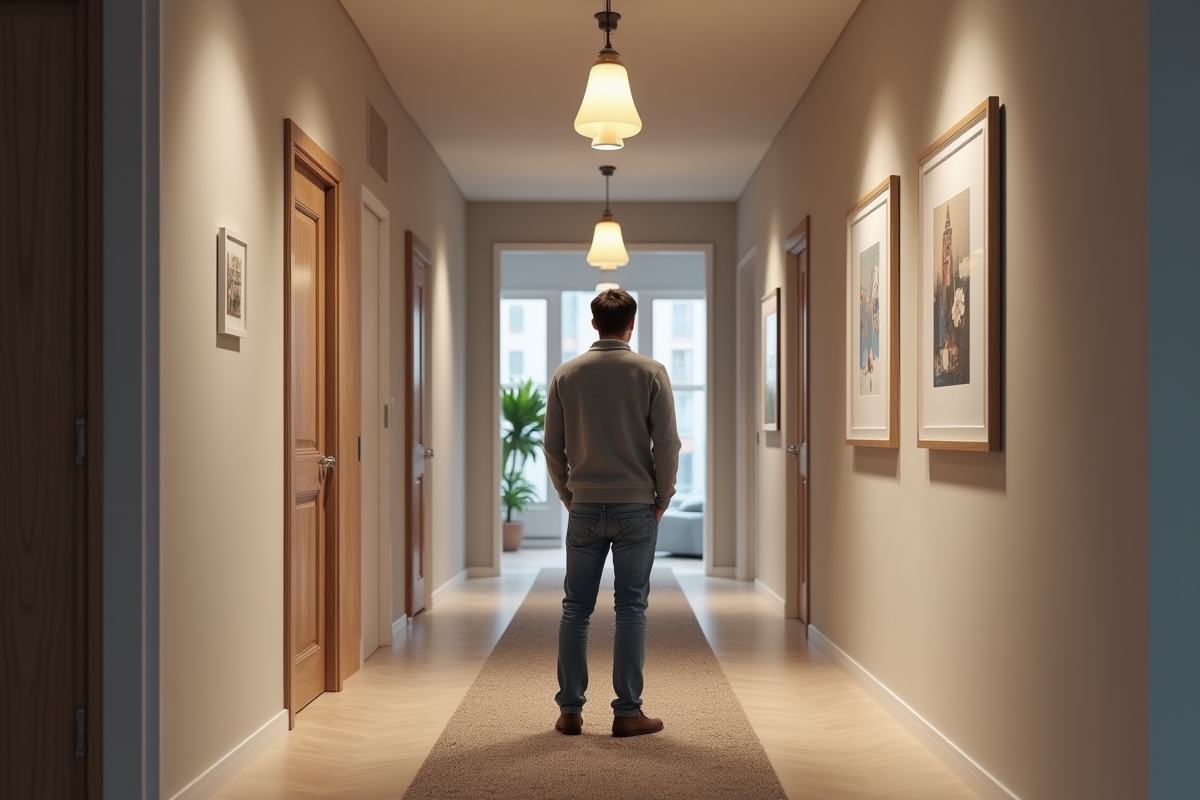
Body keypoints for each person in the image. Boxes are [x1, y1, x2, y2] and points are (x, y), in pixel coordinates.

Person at [543, 288, 681, 738]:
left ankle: (569, 711)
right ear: (632, 324)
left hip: (584, 505)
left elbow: (552, 445)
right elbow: (668, 444)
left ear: (593, 323)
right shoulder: (650, 372)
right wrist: (662, 497)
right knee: (631, 608)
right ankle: (627, 713)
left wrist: (568, 493)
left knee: (575, 607)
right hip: (636, 507)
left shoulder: (567, 374)